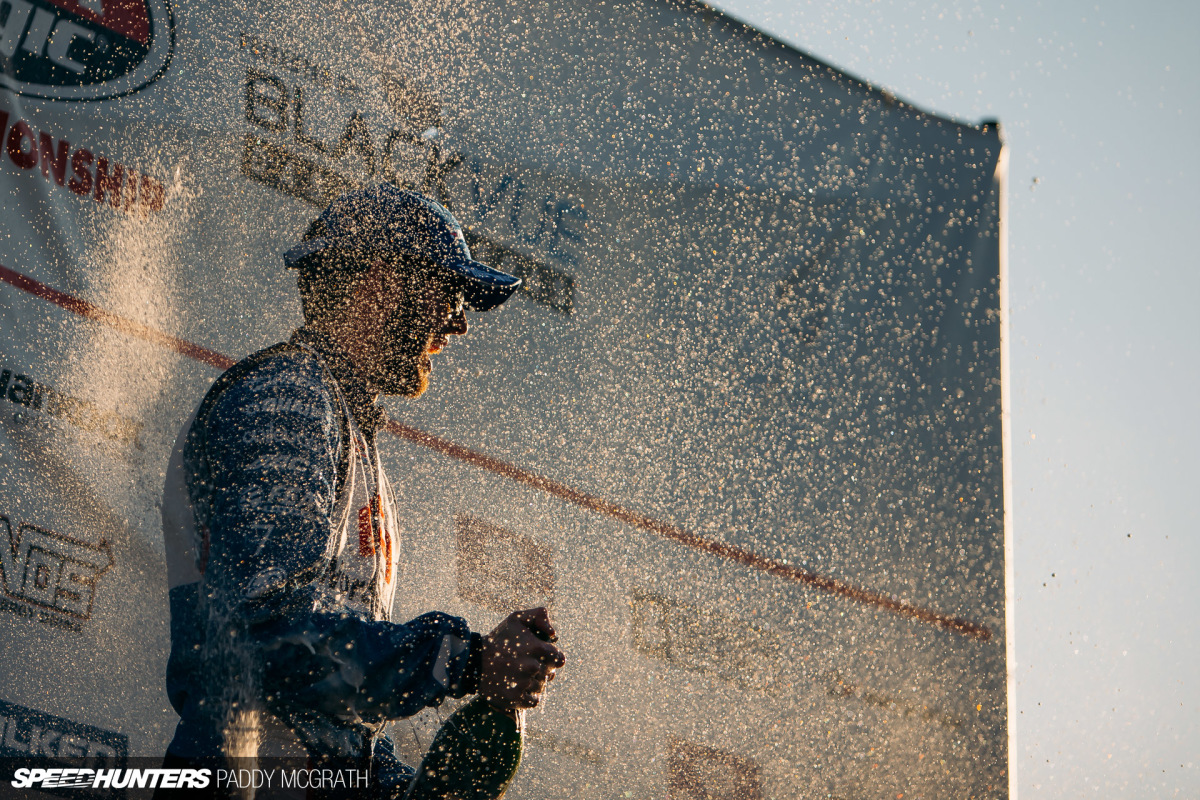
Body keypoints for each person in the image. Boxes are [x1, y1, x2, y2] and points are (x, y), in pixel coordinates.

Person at [159, 185, 565, 797]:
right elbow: (264, 645)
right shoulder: (289, 398)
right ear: (377, 286)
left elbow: (322, 726)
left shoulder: (345, 426)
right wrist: (467, 661)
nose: (458, 320)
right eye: (446, 290)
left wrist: (404, 790)